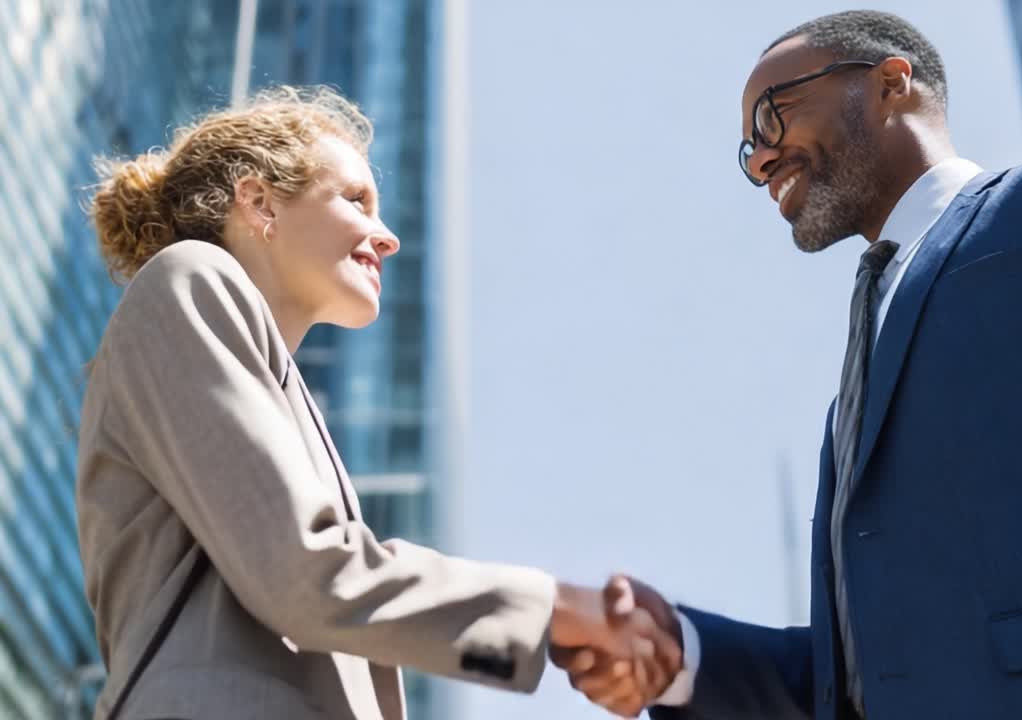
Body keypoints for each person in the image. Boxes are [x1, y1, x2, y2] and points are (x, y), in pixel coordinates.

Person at [553, 10, 1022, 720]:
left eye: (772, 118)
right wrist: (679, 654)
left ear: (891, 82)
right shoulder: (848, 412)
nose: (762, 160)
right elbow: (866, 678)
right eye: (748, 151)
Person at [77, 86, 679, 720]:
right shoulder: (190, 278)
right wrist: (552, 611)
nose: (386, 238)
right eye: (357, 200)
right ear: (258, 202)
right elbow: (306, 575)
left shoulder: (283, 393)